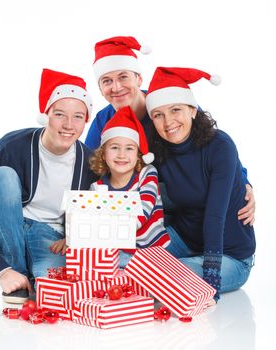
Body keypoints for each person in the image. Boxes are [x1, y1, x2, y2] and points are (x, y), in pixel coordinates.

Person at [85, 35, 256, 226]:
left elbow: (215, 142)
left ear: (139, 78)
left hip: (188, 196)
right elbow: (89, 170)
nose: (116, 87)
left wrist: (243, 182)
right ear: (100, 89)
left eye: (123, 77)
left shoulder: (168, 100)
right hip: (137, 203)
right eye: (107, 81)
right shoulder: (101, 122)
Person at [0, 69, 97, 303]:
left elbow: (92, 213)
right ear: (46, 115)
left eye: (78, 117)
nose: (68, 125)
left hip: (50, 237)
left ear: (86, 121)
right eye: (60, 114)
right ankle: (16, 271)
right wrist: (1, 269)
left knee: (58, 293)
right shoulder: (12, 145)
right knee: (2, 176)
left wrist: (74, 236)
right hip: (8, 223)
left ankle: (31, 278)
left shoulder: (89, 161)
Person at [145, 67, 256, 302]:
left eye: (176, 110)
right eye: (158, 114)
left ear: (193, 110)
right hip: (184, 238)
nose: (168, 122)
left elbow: (216, 215)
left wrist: (211, 274)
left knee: (160, 278)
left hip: (229, 254)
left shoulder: (220, 146)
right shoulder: (159, 149)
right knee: (134, 266)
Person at [89, 105, 170, 266]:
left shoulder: (146, 175)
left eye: (129, 148)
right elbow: (91, 222)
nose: (121, 154)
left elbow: (143, 209)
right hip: (117, 252)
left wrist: (107, 229)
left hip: (153, 251)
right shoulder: (97, 187)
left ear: (138, 154)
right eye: (114, 148)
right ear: (104, 155)